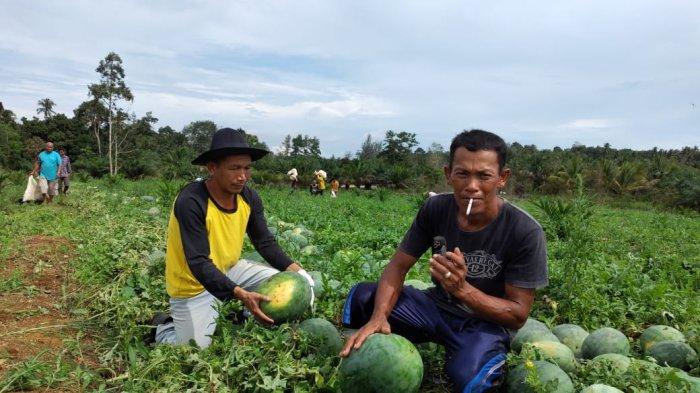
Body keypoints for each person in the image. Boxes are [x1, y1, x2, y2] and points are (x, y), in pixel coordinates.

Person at [340, 130, 548, 392]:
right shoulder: (436, 208)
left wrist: (463, 290)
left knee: (470, 379)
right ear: (449, 174)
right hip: (434, 308)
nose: (472, 186)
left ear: (502, 178)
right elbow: (398, 266)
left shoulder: (524, 230)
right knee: (362, 298)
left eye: (484, 176)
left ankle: (471, 355)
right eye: (462, 174)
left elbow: (517, 314)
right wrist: (379, 316)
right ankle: (375, 342)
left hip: (484, 324)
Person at [151, 128, 315, 348]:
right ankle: (164, 327)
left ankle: (247, 314)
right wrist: (239, 293)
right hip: (194, 285)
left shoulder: (249, 197)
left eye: (247, 168)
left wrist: (299, 273)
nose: (243, 176)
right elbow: (198, 262)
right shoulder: (191, 201)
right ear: (212, 168)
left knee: (282, 282)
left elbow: (264, 242)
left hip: (231, 270)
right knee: (193, 350)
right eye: (234, 168)